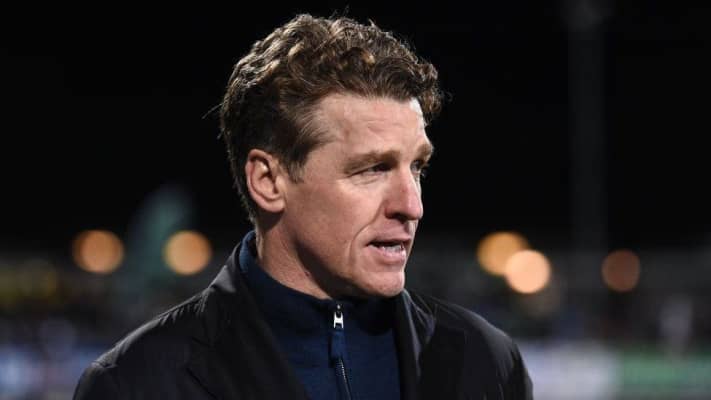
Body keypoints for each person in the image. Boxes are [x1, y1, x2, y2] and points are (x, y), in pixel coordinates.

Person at [73, 14, 533, 400]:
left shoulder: (486, 361)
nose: (411, 206)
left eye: (417, 167)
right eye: (372, 169)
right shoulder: (136, 385)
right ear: (268, 181)